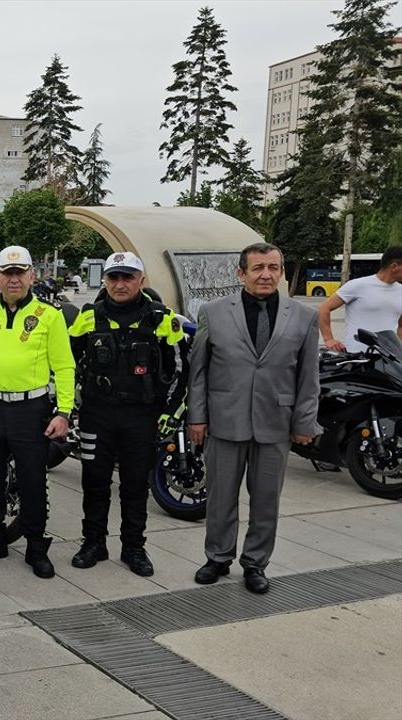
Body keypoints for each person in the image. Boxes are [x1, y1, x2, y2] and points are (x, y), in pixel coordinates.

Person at [187, 243, 320, 595]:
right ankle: (217, 557)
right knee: (219, 497)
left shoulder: (304, 317)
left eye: (273, 267)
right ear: (241, 273)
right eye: (258, 267)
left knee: (265, 501)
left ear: (281, 272)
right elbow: (197, 372)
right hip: (224, 420)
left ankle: (255, 563)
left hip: (275, 422)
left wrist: (305, 422)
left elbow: (309, 376)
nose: (266, 274)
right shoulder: (213, 313)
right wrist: (196, 418)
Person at [67, 253, 186, 577]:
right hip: (96, 415)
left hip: (141, 418)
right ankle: (93, 543)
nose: (120, 284)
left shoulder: (162, 319)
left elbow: (182, 369)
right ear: (104, 280)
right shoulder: (89, 316)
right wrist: (71, 406)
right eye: (114, 278)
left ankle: (134, 547)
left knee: (135, 485)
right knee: (94, 482)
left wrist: (168, 414)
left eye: (128, 277)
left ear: (141, 280)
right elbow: (67, 363)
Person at [0, 245, 75, 579]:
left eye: (20, 272)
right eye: (7, 273)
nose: (13, 279)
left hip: (31, 409)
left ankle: (36, 547)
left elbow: (65, 367)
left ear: (31, 276)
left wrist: (63, 411)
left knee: (32, 481)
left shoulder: (48, 315)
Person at [318, 246, 402, 353]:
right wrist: (328, 339)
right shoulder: (358, 285)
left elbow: (400, 325)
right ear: (394, 266)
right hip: (358, 357)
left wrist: (399, 350)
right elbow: (324, 308)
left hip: (389, 359)